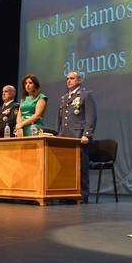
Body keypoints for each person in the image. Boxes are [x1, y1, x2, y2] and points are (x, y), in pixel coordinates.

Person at [56, 71, 97, 204]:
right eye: (67, 78)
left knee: (81, 167)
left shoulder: (86, 95)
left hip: (79, 137)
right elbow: (61, 119)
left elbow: (91, 117)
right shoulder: (64, 98)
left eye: (72, 78)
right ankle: (67, 194)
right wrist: (59, 134)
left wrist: (87, 134)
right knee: (65, 167)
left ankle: (82, 195)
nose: (69, 81)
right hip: (65, 136)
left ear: (79, 80)